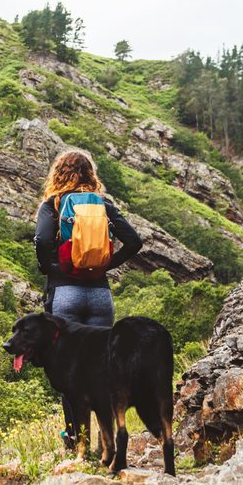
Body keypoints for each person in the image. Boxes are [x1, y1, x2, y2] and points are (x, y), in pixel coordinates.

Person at [33, 150, 143, 449]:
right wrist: (107, 264)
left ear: (58, 173)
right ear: (91, 174)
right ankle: (106, 442)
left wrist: (50, 267)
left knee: (68, 371)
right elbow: (134, 241)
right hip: (99, 296)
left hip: (64, 294)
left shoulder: (53, 205)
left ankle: (75, 441)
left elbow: (43, 240)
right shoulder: (102, 205)